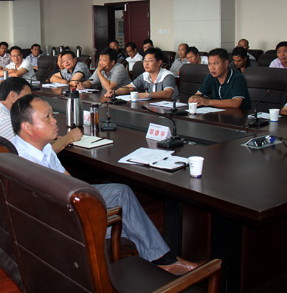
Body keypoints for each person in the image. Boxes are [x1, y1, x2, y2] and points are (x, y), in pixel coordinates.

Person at [10, 94, 199, 275]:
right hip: (58, 224)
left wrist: (91, 197)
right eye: (47, 117)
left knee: (121, 194)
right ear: (27, 127)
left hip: (66, 203)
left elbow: (68, 180)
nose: (54, 121)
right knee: (126, 220)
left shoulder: (42, 148)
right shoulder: (25, 162)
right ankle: (165, 261)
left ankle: (161, 259)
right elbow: (48, 211)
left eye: (52, 114)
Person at [0, 77, 83, 177]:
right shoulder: (7, 122)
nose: (30, 100)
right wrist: (68, 138)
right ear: (13, 96)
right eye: (27, 96)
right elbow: (35, 153)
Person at [106, 48, 178, 100]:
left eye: (150, 61)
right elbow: (129, 87)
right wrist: (114, 92)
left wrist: (146, 95)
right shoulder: (145, 75)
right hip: (152, 107)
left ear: (159, 63)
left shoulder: (167, 75)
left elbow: (168, 93)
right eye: (144, 60)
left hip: (170, 109)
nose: (146, 63)